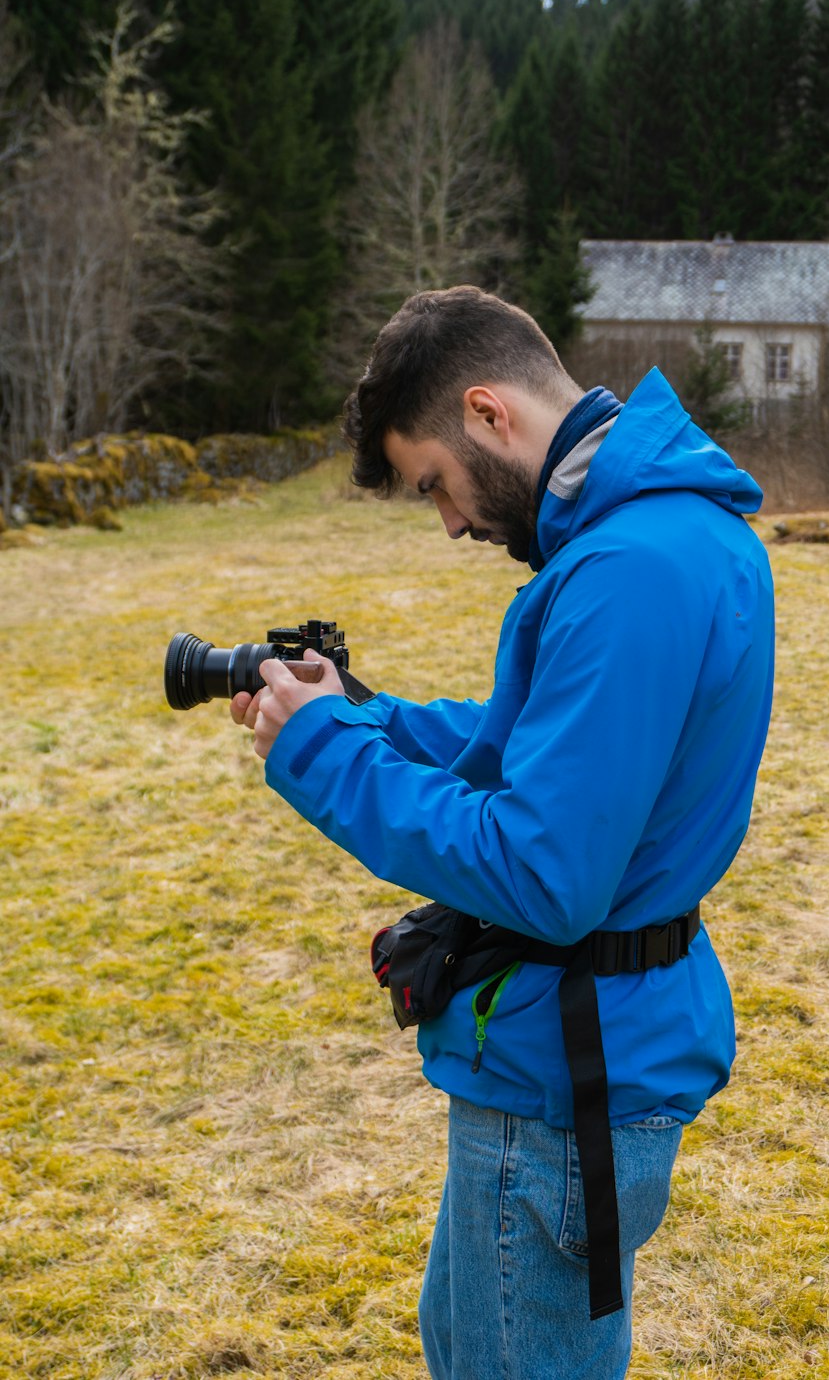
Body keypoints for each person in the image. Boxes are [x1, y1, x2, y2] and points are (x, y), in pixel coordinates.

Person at [230, 285, 774, 1379]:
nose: (453, 522)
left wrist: (321, 755)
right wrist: (362, 714)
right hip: (575, 1058)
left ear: (488, 413)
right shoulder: (662, 533)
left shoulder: (626, 572)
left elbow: (542, 870)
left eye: (434, 483)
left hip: (561, 1090)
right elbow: (545, 743)